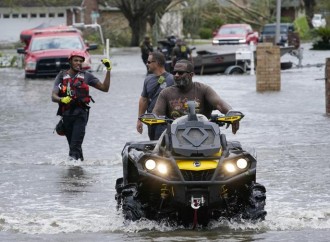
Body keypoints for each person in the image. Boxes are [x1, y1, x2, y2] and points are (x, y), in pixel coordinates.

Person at [51, 50, 112, 161]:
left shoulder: (86, 76)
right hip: (66, 116)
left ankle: (71, 174)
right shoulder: (61, 76)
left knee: (74, 147)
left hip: (80, 116)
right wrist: (62, 99)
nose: (78, 63)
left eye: (81, 61)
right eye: (76, 60)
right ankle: (79, 172)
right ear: (70, 61)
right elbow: (53, 96)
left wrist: (108, 70)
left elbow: (105, 88)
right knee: (74, 147)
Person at [153, 59, 240, 134]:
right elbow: (156, 114)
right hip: (175, 135)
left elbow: (220, 104)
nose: (176, 75)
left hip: (205, 135)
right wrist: (152, 118)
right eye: (174, 72)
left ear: (191, 75)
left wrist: (230, 112)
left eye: (180, 73)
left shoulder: (204, 89)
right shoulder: (165, 93)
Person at [136, 51, 174, 140]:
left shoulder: (172, 79)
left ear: (156, 63)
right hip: (151, 122)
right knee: (153, 145)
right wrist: (139, 120)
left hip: (165, 122)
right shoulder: (148, 80)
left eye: (149, 62)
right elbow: (144, 100)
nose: (147, 64)